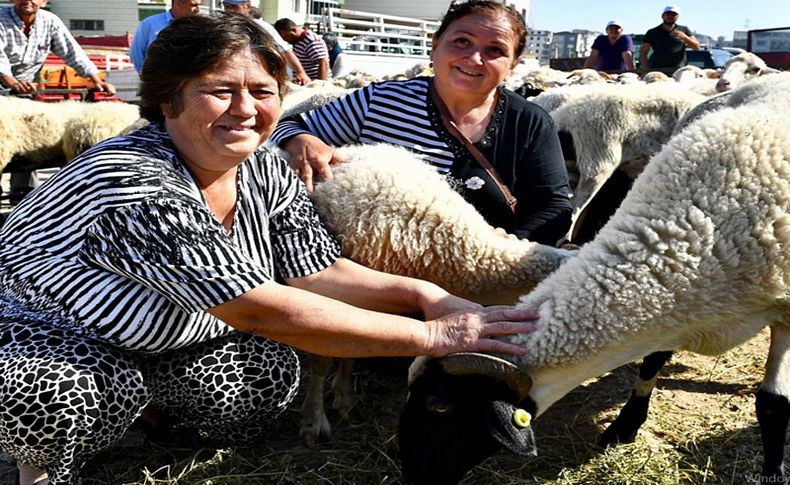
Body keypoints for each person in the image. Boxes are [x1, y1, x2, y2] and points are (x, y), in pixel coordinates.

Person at [0, 13, 538, 485]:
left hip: (168, 335)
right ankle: (36, 465)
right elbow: (255, 307)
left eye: (262, 91)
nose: (245, 109)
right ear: (168, 98)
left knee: (269, 381)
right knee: (58, 394)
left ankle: (149, 408)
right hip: (46, 335)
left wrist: (425, 294)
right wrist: (433, 335)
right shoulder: (134, 181)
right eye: (219, 90)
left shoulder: (260, 166)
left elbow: (314, 268)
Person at [271, 0, 573, 246]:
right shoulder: (380, 101)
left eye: (495, 50)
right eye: (462, 41)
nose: (474, 58)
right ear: (435, 45)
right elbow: (287, 126)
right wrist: (303, 141)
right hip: (372, 275)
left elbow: (554, 207)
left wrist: (507, 246)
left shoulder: (529, 121)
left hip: (483, 284)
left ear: (513, 65)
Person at [0, 0, 116, 203]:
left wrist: (95, 79)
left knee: (28, 144)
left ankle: (23, 199)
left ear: (44, 2)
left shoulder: (50, 21)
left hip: (25, 92)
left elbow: (72, 51)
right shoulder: (1, 18)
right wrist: (10, 81)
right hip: (6, 87)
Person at [221, 0, 310, 86]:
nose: (230, 10)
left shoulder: (260, 27)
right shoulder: (222, 27)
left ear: (247, 6)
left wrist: (300, 73)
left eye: (234, 7)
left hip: (260, 76)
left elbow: (284, 50)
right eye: (226, 7)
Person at [129, 0, 201, 72]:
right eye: (193, 5)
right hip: (156, 80)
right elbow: (136, 54)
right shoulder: (150, 24)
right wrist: (146, 76)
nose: (198, 10)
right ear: (178, 3)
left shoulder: (196, 27)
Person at [639, 5, 700, 74]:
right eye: (668, 14)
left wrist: (684, 37)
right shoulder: (652, 32)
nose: (670, 16)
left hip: (679, 71)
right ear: (662, 16)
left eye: (673, 15)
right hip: (658, 71)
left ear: (677, 17)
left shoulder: (684, 30)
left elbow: (697, 47)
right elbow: (643, 52)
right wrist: (646, 69)